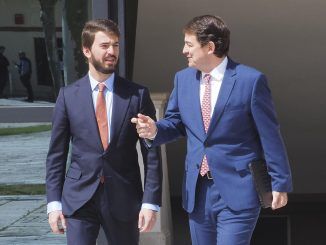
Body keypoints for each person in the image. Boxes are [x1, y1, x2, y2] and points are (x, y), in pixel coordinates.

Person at [131, 15, 292, 245]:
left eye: (189, 44)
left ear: (209, 47)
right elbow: (176, 123)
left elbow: (270, 135)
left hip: (239, 189)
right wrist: (155, 129)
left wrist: (280, 183)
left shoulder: (251, 81)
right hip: (198, 191)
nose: (183, 50)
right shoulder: (183, 79)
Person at [46, 19, 162, 245]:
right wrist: (53, 204)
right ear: (86, 50)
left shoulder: (136, 95)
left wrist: (150, 202)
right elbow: (56, 155)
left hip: (124, 198)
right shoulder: (68, 96)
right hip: (78, 199)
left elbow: (152, 154)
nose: (112, 51)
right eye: (105, 45)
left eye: (116, 45)